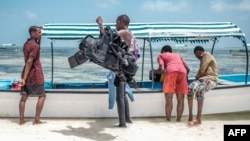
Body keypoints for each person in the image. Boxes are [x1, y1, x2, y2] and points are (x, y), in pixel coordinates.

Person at [96, 15, 140, 127]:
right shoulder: (129, 33)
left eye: (116, 22)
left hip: (125, 67)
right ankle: (128, 119)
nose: (115, 24)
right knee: (123, 94)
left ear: (121, 22)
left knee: (119, 95)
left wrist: (100, 24)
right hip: (129, 66)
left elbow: (107, 37)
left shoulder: (124, 32)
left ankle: (122, 123)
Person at [19, 26, 46, 125]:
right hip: (35, 73)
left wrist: (24, 77)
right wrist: (24, 79)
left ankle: (21, 120)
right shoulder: (35, 46)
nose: (41, 34)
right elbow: (30, 61)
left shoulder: (26, 44)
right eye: (39, 32)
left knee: (24, 96)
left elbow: (36, 47)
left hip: (25, 71)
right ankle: (36, 120)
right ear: (32, 33)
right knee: (42, 96)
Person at [156, 45, 189, 122]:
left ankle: (168, 120)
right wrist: (185, 77)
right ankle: (178, 120)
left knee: (169, 98)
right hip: (183, 72)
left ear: (163, 51)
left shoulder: (161, 55)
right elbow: (188, 68)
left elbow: (162, 68)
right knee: (181, 99)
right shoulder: (178, 55)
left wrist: (156, 72)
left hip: (171, 72)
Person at [187, 46, 218, 125]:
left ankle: (198, 119)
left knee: (200, 91)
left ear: (198, 51)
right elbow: (202, 71)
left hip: (211, 79)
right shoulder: (202, 59)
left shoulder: (206, 54)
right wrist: (197, 78)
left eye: (195, 54)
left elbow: (202, 69)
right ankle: (190, 115)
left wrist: (196, 77)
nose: (196, 56)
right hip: (202, 79)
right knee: (189, 89)